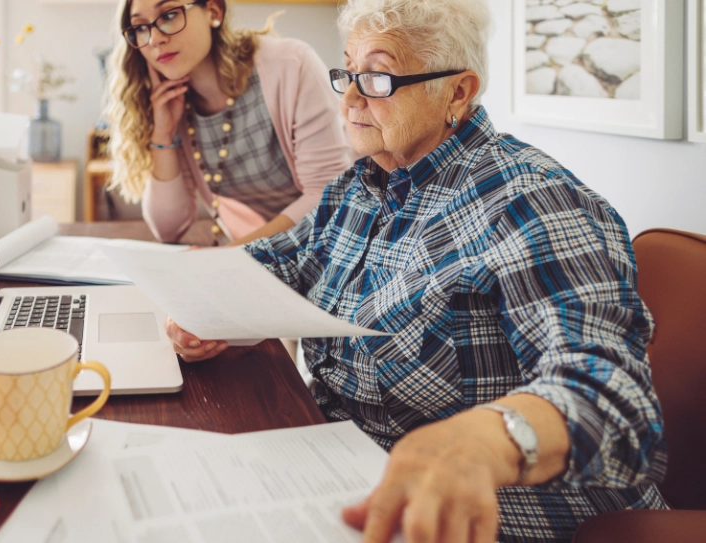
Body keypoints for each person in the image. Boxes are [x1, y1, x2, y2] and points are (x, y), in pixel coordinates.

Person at [164, 0, 668, 540]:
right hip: (343, 474)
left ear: (457, 91)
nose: (351, 99)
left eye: (378, 77)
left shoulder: (534, 202)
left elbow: (616, 397)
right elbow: (285, 260)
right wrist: (207, 297)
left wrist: (486, 441)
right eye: (349, 72)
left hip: (502, 519)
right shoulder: (361, 185)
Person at [105, 0, 351, 245]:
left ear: (213, 11)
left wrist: (232, 254)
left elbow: (328, 195)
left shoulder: (291, 64)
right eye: (139, 27)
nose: (154, 39)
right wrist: (163, 135)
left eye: (169, 15)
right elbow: (168, 229)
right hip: (257, 261)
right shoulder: (176, 106)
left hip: (329, 247)